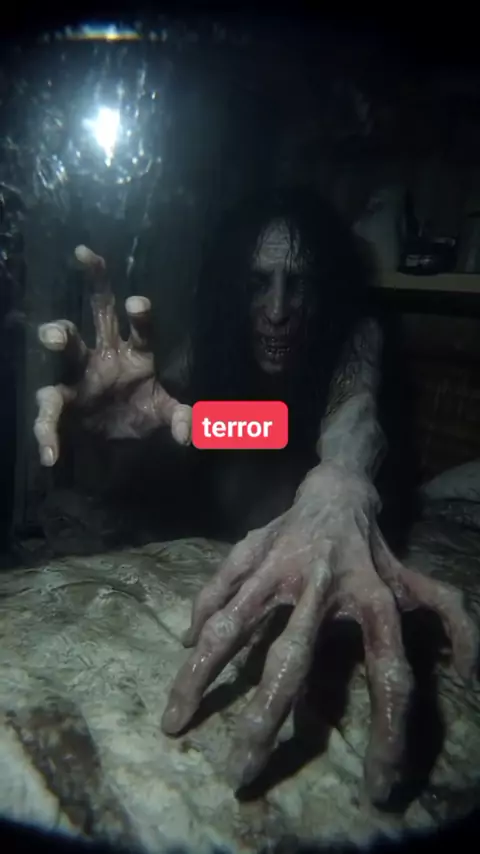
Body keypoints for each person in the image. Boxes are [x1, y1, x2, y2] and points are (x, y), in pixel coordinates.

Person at [32, 187, 478, 806]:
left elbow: (356, 418)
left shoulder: (356, 336)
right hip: (224, 519)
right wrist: (114, 428)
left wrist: (340, 483)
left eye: (299, 284)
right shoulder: (216, 346)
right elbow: (163, 441)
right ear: (232, 289)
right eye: (257, 284)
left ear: (326, 291)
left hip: (301, 512)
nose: (276, 309)